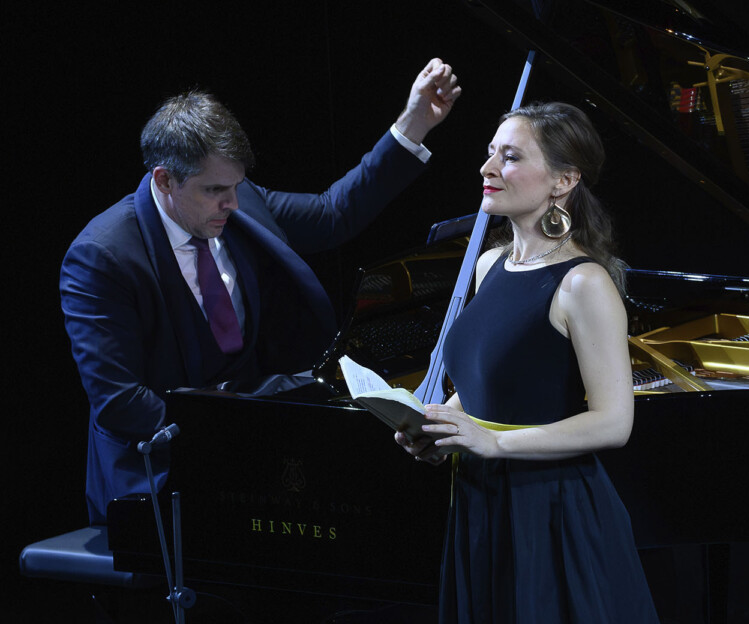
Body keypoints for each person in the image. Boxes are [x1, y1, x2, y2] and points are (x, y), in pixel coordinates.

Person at [62, 58, 461, 525]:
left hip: (251, 451)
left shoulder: (237, 200)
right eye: (214, 190)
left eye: (236, 185)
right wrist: (239, 431)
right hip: (157, 470)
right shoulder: (103, 256)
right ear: (164, 180)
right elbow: (119, 403)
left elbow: (334, 214)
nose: (231, 203)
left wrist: (411, 126)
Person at [396, 102, 658, 622]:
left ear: (563, 180)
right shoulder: (489, 265)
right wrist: (441, 429)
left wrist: (492, 442)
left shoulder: (583, 282)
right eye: (490, 154)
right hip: (479, 498)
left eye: (510, 157)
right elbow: (482, 386)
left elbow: (614, 422)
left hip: (551, 511)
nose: (488, 169)